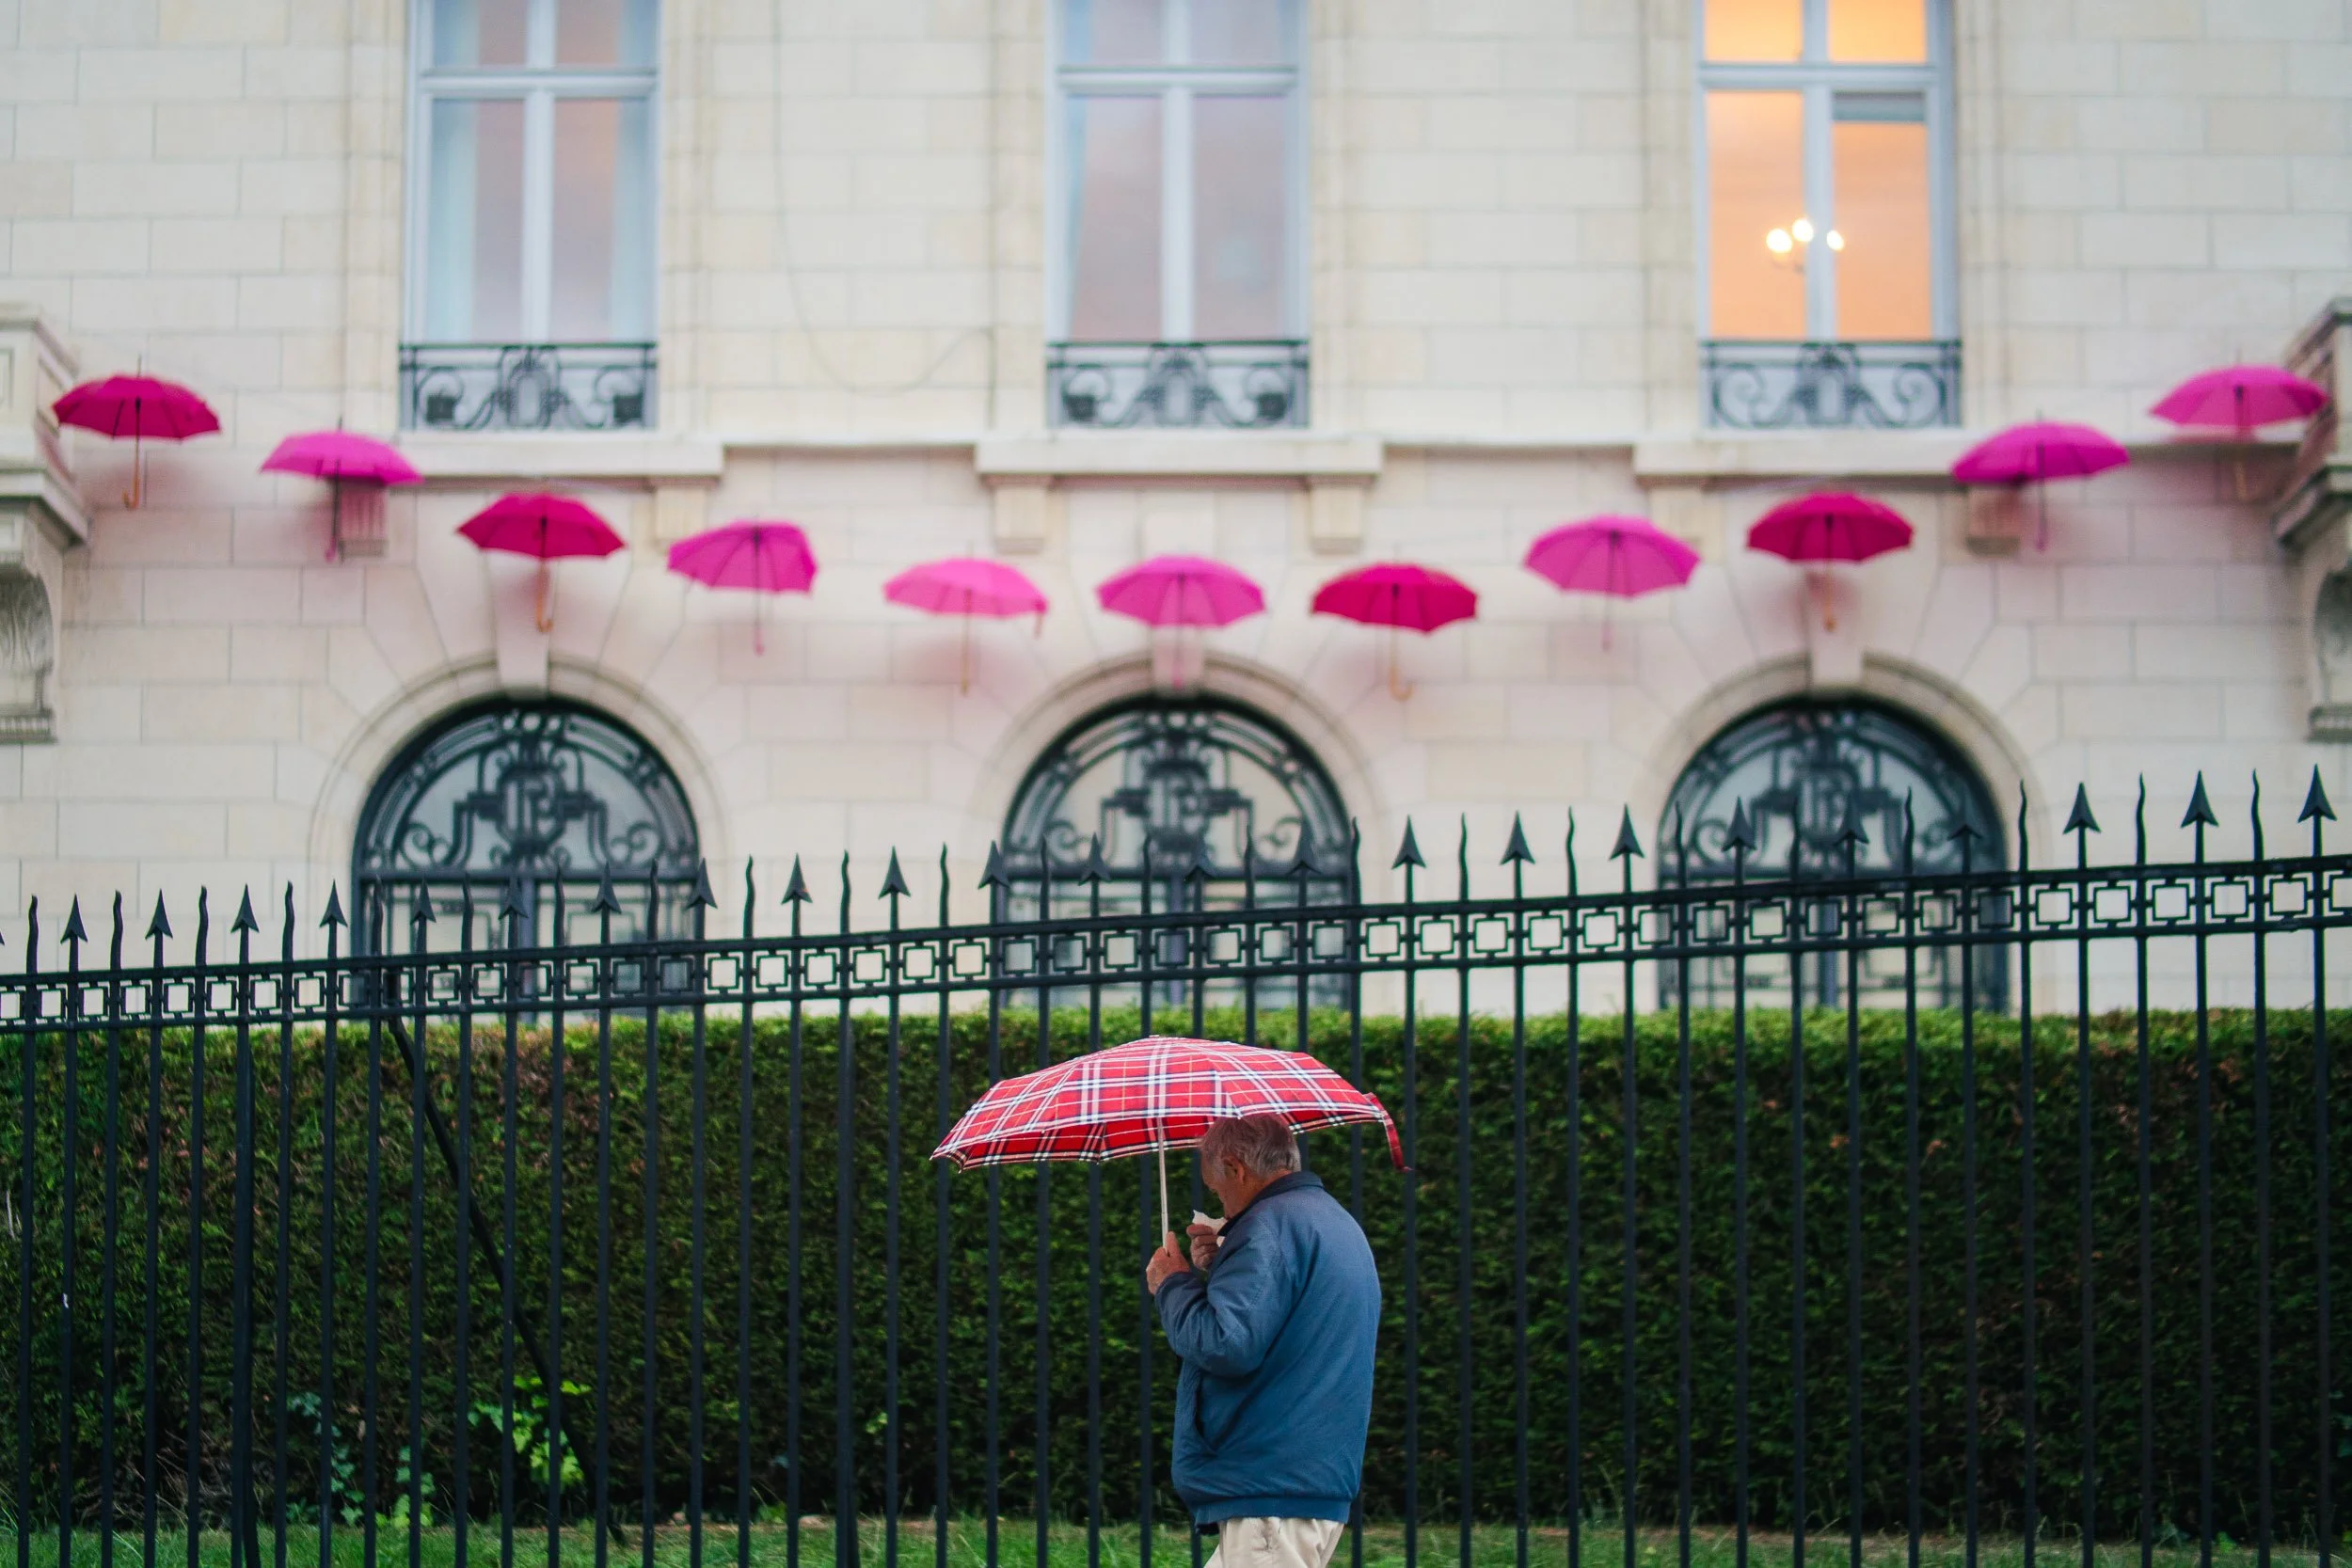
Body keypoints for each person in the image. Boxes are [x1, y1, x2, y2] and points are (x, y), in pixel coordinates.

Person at [1145, 1115, 1382, 1568]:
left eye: (1216, 1190)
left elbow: (1224, 1343)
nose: (1221, 1203)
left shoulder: (1268, 1226)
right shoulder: (1328, 1218)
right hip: (1303, 1476)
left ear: (1235, 1168)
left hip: (1271, 1483)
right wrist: (1224, 1267)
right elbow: (1285, 1324)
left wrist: (1173, 1284)